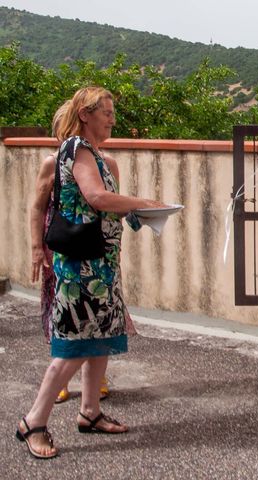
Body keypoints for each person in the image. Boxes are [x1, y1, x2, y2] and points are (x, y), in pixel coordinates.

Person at [17, 86, 166, 459]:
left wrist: (140, 214)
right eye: (107, 112)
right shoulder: (75, 149)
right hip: (80, 268)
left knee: (100, 339)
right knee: (73, 346)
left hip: (101, 264)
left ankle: (90, 412)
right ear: (85, 114)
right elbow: (97, 198)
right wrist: (145, 202)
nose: (113, 119)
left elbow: (104, 208)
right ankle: (33, 422)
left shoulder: (100, 158)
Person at [30, 103, 119, 404]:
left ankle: (91, 393)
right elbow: (39, 206)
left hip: (98, 252)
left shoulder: (106, 161)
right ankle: (50, 400)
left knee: (95, 318)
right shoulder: (59, 158)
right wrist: (34, 247)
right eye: (106, 113)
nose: (112, 119)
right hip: (65, 246)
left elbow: (111, 205)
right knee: (65, 315)